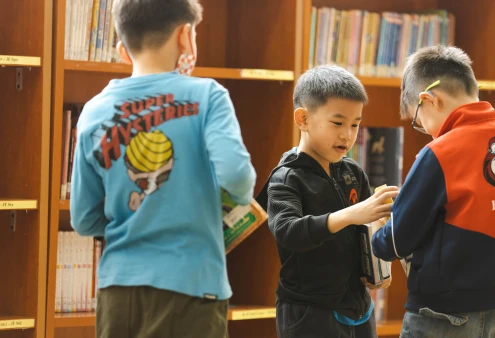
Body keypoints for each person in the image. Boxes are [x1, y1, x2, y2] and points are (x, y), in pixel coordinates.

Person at [69, 0, 256, 337]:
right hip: (192, 286)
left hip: (117, 290)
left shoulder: (93, 111)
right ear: (185, 35)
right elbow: (238, 179)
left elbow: (83, 220)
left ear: (122, 48)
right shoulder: (208, 96)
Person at [371, 45, 495, 338]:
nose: (425, 130)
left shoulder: (440, 152)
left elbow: (396, 243)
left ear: (429, 100)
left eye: (418, 120)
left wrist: (378, 226)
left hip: (442, 311)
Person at [256, 64, 398, 338]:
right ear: (303, 119)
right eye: (337, 123)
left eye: (355, 124)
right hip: (310, 311)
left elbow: (367, 231)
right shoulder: (286, 177)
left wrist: (378, 269)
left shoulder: (352, 172)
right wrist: (350, 214)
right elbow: (289, 232)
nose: (347, 134)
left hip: (358, 308)